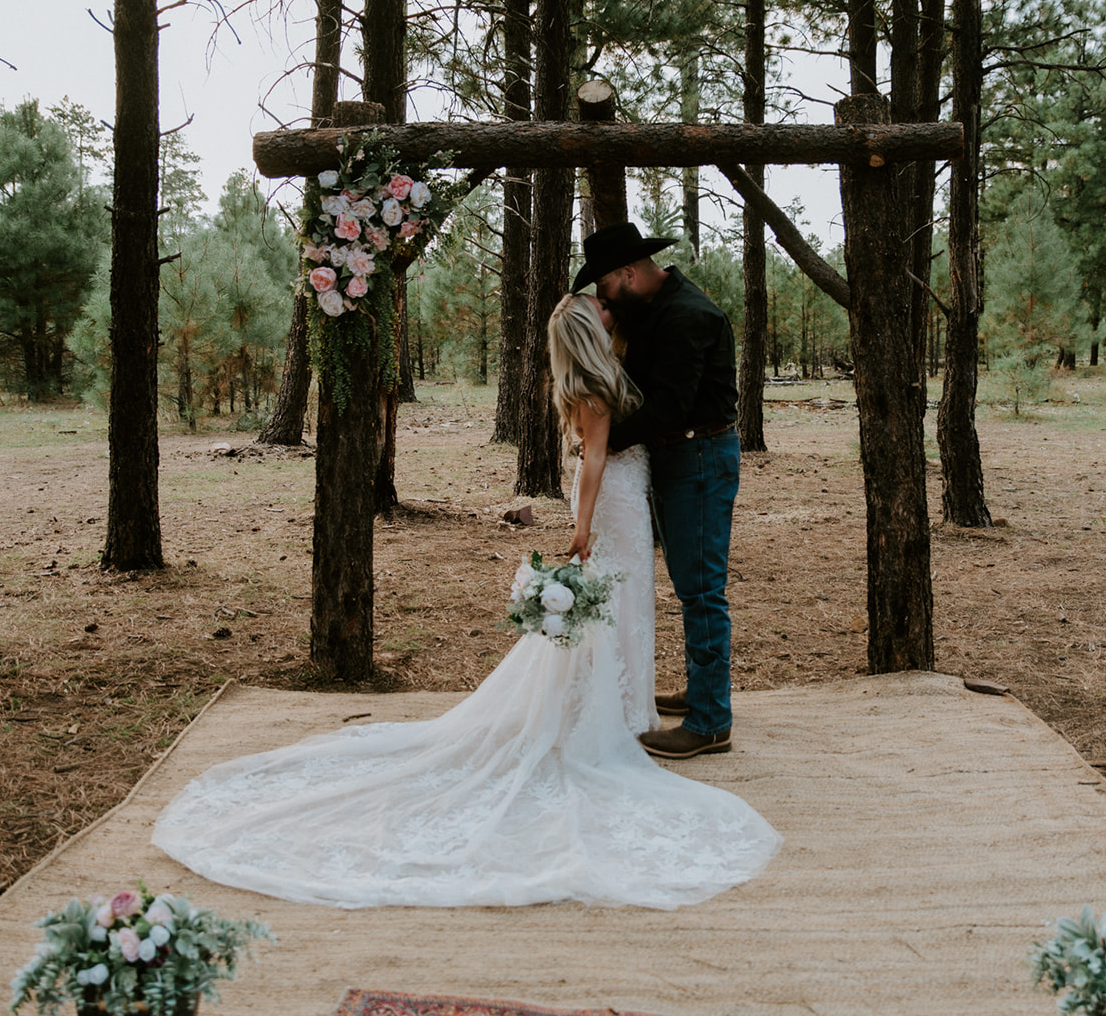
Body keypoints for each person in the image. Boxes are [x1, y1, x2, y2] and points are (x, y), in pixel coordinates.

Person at [151, 294, 779, 910]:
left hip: (623, 504)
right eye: (601, 311)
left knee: (622, 607)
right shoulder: (594, 388)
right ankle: (608, 713)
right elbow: (591, 461)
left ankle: (622, 703)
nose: (611, 312)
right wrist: (582, 526)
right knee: (617, 605)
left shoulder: (602, 375)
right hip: (611, 511)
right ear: (590, 333)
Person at [570, 222, 739, 761]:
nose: (602, 299)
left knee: (701, 587)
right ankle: (701, 691)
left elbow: (669, 405)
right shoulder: (650, 311)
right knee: (689, 580)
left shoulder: (689, 315)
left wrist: (602, 439)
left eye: (603, 288)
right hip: (673, 457)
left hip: (700, 457)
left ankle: (711, 720)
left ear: (627, 274)